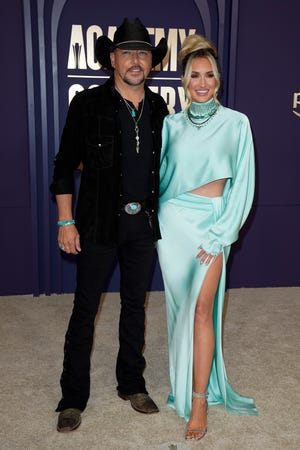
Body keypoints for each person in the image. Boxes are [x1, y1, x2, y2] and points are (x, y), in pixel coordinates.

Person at [49, 17, 169, 432]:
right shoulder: (87, 104)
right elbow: (64, 166)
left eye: (143, 53)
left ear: (151, 62)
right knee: (85, 310)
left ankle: (131, 383)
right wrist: (66, 220)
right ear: (112, 59)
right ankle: (72, 398)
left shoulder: (158, 108)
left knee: (136, 307)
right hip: (97, 226)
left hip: (142, 228)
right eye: (127, 52)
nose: (135, 60)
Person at [156, 34, 258, 441]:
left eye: (209, 75)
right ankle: (184, 384)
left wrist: (221, 233)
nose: (202, 83)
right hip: (173, 225)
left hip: (212, 225)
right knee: (180, 313)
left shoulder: (237, 123)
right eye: (194, 75)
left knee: (202, 309)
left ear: (218, 80)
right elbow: (158, 180)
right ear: (184, 81)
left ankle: (199, 401)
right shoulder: (170, 125)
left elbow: (243, 185)